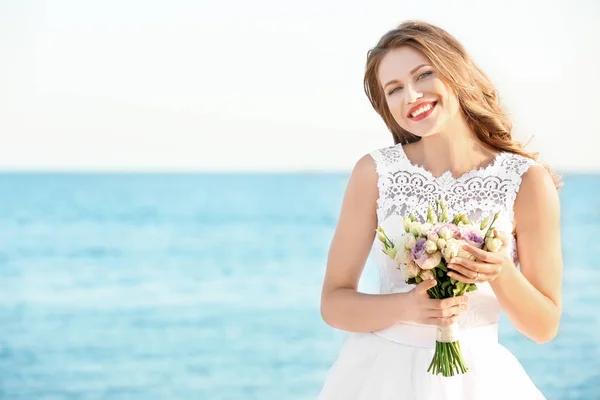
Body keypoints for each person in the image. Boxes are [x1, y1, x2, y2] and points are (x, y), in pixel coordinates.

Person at [317, 20, 563, 400]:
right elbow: (334, 304)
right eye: (394, 89)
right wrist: (407, 307)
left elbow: (544, 327)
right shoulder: (374, 172)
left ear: (455, 71)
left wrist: (500, 272)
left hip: (479, 381)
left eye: (423, 74)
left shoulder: (526, 181)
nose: (411, 95)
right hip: (379, 378)